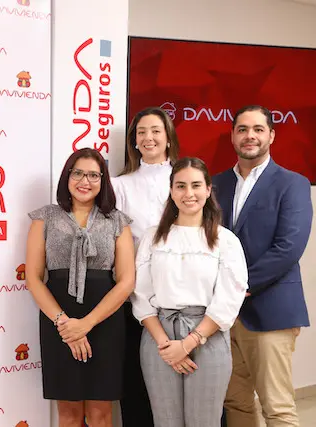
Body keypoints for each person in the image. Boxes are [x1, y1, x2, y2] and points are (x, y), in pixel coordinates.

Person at [213, 105, 313, 427]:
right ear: (232, 136)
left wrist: (236, 287)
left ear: (271, 135)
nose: (250, 136)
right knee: (235, 403)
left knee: (277, 406)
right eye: (242, 129)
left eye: (258, 129)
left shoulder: (292, 183)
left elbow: (288, 249)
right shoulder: (215, 185)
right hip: (225, 318)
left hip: (271, 311)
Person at [131, 157, 249, 427]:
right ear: (171, 191)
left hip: (207, 336)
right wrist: (166, 345)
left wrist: (187, 344)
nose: (189, 193)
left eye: (196, 185)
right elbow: (141, 295)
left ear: (208, 190)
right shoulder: (153, 237)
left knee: (203, 421)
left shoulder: (226, 241)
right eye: (180, 186)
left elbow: (228, 300)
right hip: (158, 338)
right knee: (165, 421)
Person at [25, 148, 136, 427]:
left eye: (93, 175)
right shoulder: (44, 218)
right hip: (58, 322)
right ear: (67, 176)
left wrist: (85, 324)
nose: (85, 181)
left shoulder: (118, 221)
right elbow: (34, 278)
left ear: (103, 181)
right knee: (70, 414)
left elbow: (126, 282)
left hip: (105, 322)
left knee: (101, 413)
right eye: (78, 173)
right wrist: (65, 324)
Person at [111, 106, 180, 427]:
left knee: (186, 384)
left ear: (168, 138)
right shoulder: (120, 186)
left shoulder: (186, 179)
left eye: (155, 131)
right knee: (137, 385)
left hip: (184, 300)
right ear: (133, 142)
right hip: (137, 301)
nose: (148, 137)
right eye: (141, 132)